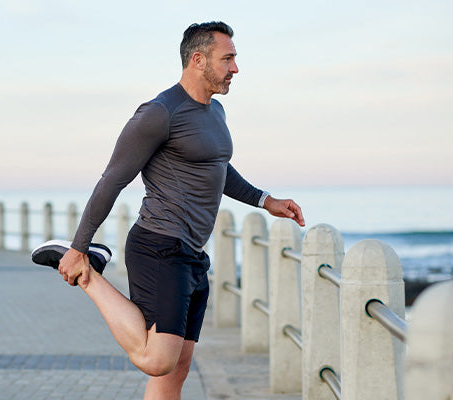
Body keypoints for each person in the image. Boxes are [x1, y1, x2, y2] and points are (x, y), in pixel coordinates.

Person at [56, 21, 305, 399]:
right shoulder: (159, 112)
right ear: (198, 59)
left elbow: (218, 166)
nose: (235, 68)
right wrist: (78, 247)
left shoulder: (215, 112)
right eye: (228, 58)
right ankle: (88, 273)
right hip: (159, 246)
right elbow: (113, 179)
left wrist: (265, 200)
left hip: (191, 255)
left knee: (178, 367)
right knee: (158, 361)